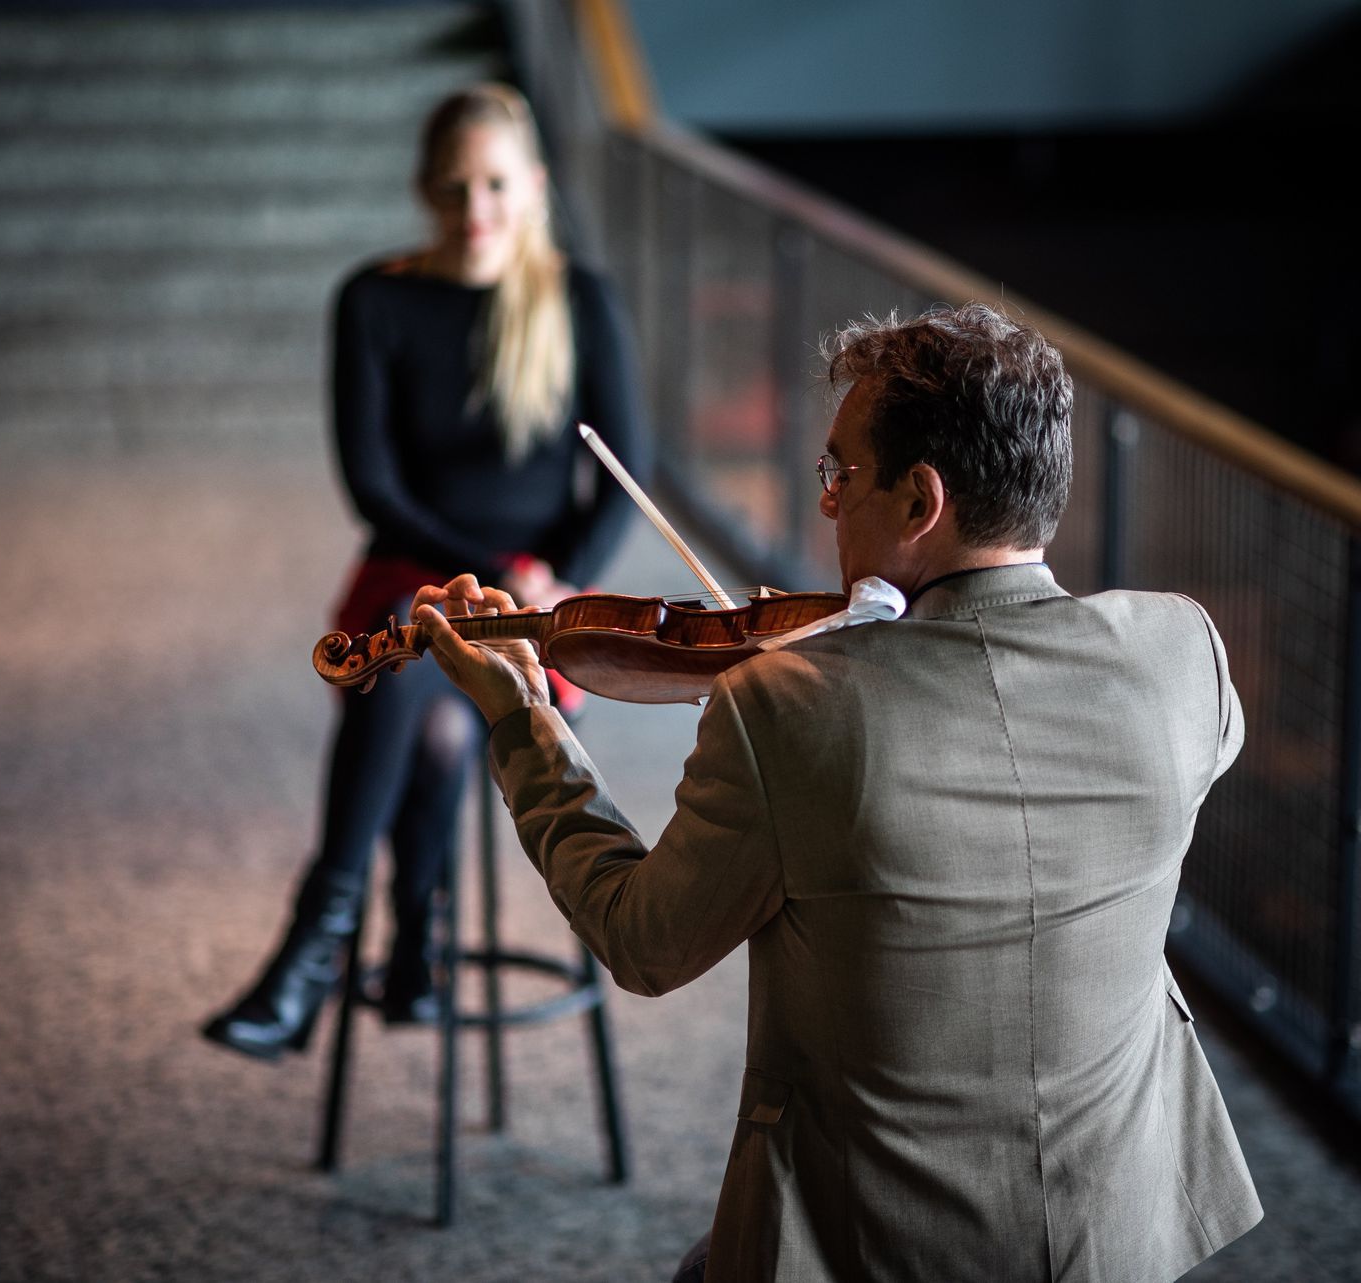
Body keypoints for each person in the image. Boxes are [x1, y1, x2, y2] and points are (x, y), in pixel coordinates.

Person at [411, 302, 1262, 1281]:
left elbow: (642, 941)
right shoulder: (1181, 657)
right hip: (1114, 1229)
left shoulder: (791, 710)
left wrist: (525, 721)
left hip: (870, 1241)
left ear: (920, 502)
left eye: (842, 473)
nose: (827, 502)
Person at [202, 83, 647, 1059]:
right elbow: (373, 486)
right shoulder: (376, 299)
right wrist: (488, 571)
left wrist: (555, 578)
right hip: (412, 572)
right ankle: (404, 945)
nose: (474, 210)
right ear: (423, 192)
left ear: (532, 185)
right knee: (425, 650)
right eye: (452, 189)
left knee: (435, 685)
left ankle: (326, 950)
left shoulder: (578, 300)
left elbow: (625, 478)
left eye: (494, 184)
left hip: (540, 607)